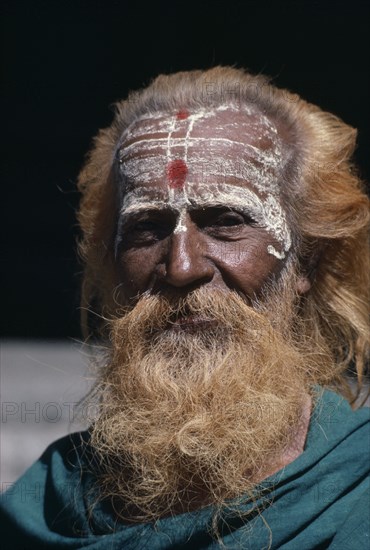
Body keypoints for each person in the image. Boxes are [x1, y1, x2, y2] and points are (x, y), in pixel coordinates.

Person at [1, 67, 369, 549]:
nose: (182, 267)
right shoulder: (45, 507)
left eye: (227, 221)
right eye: (147, 228)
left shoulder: (355, 495)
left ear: (307, 262)